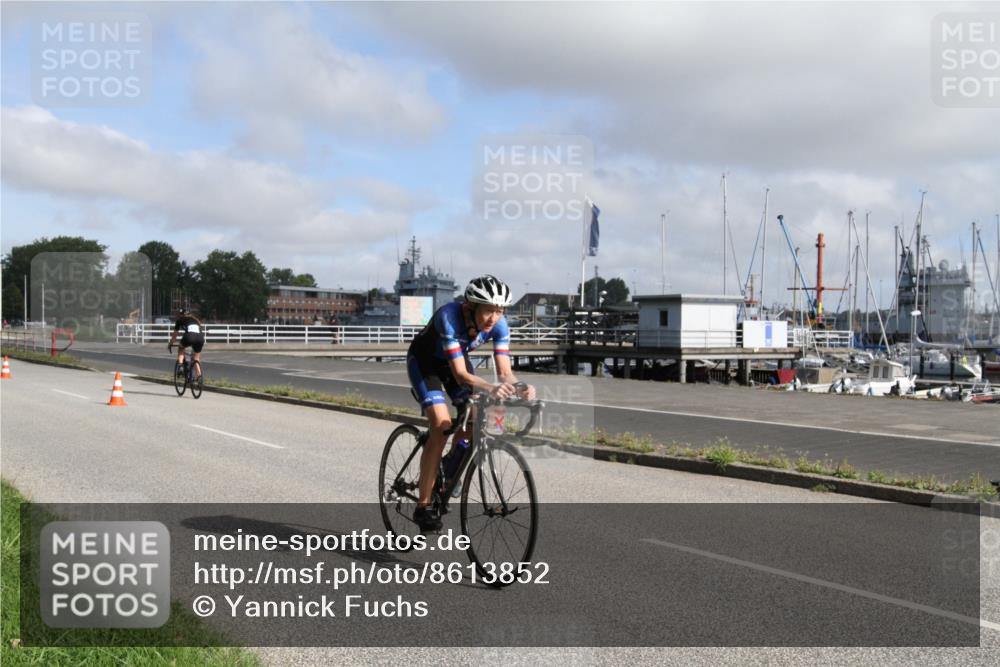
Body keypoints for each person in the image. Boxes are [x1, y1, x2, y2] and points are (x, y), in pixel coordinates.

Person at [406, 275, 535, 531]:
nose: (494, 318)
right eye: (488, 311)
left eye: (499, 311)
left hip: (457, 363)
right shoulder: (449, 317)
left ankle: (448, 469)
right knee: (441, 425)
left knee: (476, 416)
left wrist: (520, 387)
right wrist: (490, 387)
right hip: (426, 365)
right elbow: (461, 376)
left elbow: (504, 371)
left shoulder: (499, 325)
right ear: (471, 307)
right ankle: (423, 505)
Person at [168, 308, 205, 379]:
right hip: (200, 338)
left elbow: (175, 335)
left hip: (189, 337)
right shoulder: (196, 320)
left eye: (179, 315)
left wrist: (170, 343)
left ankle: (180, 366)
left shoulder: (180, 320)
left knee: (181, 348)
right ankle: (199, 377)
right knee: (196, 358)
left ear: (181, 315)